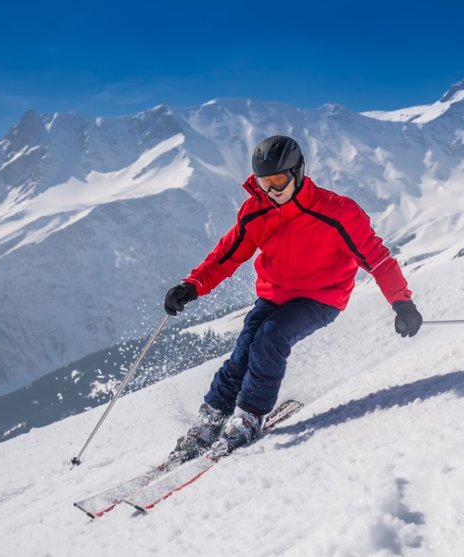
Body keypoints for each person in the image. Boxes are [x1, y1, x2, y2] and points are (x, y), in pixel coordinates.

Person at [163, 135, 423, 459]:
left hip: (321, 297)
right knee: (245, 347)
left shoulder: (337, 211)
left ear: (297, 172)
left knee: (270, 338)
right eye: (264, 182)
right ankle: (212, 416)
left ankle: (249, 416)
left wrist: (402, 302)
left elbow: (377, 258)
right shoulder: (256, 211)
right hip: (275, 294)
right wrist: (193, 285)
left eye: (278, 180)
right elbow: (227, 255)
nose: (272, 190)